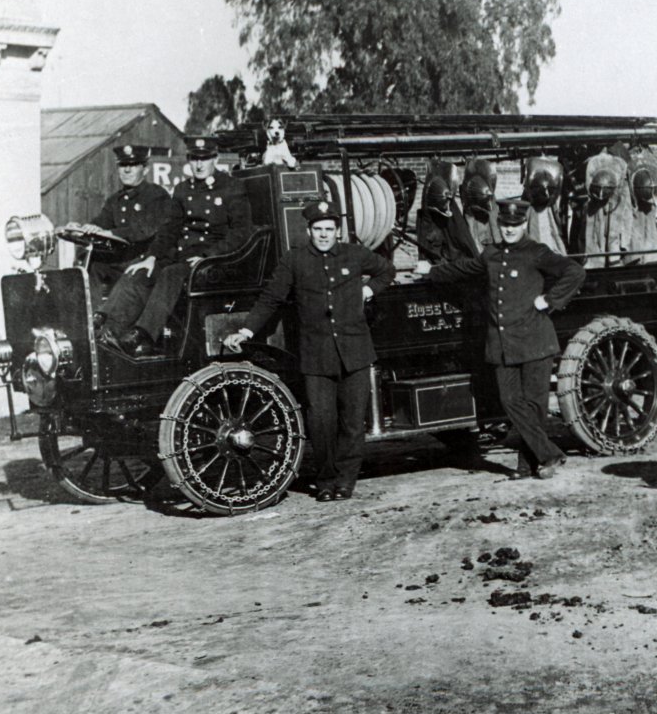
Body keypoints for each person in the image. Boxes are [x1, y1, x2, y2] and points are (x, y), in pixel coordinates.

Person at [223, 200, 395, 501]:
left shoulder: (355, 254)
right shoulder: (295, 260)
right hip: (316, 356)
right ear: (309, 231)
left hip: (355, 352)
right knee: (321, 421)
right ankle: (326, 481)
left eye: (329, 229)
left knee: (353, 422)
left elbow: (387, 270)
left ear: (338, 231)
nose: (324, 234)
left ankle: (346, 481)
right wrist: (246, 331)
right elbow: (271, 298)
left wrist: (368, 291)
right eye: (318, 229)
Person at [414, 204, 586, 479]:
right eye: (505, 224)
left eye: (515, 225)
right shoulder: (491, 253)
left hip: (535, 342)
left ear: (524, 224)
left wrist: (550, 300)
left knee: (535, 406)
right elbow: (464, 268)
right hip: (502, 346)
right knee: (510, 401)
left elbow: (575, 271)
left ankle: (527, 466)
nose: (509, 229)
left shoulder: (536, 252)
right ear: (499, 224)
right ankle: (549, 453)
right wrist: (431, 271)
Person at [101, 137, 253, 356]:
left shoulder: (232, 187)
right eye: (194, 159)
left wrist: (208, 255)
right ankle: (110, 331)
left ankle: (142, 336)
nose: (199, 165)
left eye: (204, 159)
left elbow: (241, 232)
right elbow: (170, 229)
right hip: (185, 257)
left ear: (215, 159)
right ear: (189, 160)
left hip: (217, 261)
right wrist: (152, 257)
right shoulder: (182, 189)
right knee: (139, 271)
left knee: (171, 273)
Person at [73, 145, 179, 296]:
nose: (127, 170)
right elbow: (102, 221)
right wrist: (85, 229)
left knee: (125, 282)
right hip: (121, 261)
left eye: (133, 165)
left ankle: (106, 311)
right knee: (89, 266)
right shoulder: (115, 199)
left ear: (145, 169)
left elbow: (145, 229)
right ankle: (88, 309)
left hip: (146, 259)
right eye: (123, 165)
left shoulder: (156, 195)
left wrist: (111, 233)